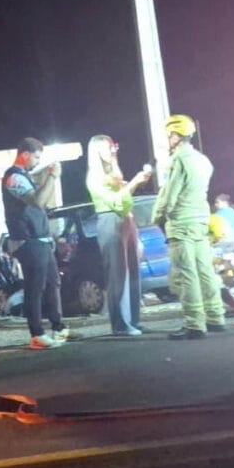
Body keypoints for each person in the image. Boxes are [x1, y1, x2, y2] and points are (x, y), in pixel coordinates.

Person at [152, 114, 226, 340]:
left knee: (187, 273)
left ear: (175, 135)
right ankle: (216, 317)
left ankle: (194, 323)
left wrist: (159, 216)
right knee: (205, 270)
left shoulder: (179, 160)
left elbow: (170, 194)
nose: (168, 140)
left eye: (169, 135)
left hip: (181, 221)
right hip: (201, 220)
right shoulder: (204, 160)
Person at [2, 137, 68, 349]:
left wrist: (47, 173)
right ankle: (37, 334)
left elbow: (38, 189)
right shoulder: (13, 178)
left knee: (52, 283)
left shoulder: (25, 176)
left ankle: (58, 327)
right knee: (35, 287)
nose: (37, 162)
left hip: (40, 239)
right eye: (36, 157)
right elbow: (38, 201)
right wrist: (53, 177)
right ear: (25, 154)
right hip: (28, 240)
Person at [85, 134, 153, 336]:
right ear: (96, 152)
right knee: (117, 274)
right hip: (110, 220)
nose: (113, 151)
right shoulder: (94, 177)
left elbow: (123, 199)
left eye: (113, 146)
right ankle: (120, 325)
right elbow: (115, 201)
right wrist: (133, 183)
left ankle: (133, 320)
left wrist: (131, 182)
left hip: (126, 219)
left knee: (133, 272)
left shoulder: (112, 173)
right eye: (107, 148)